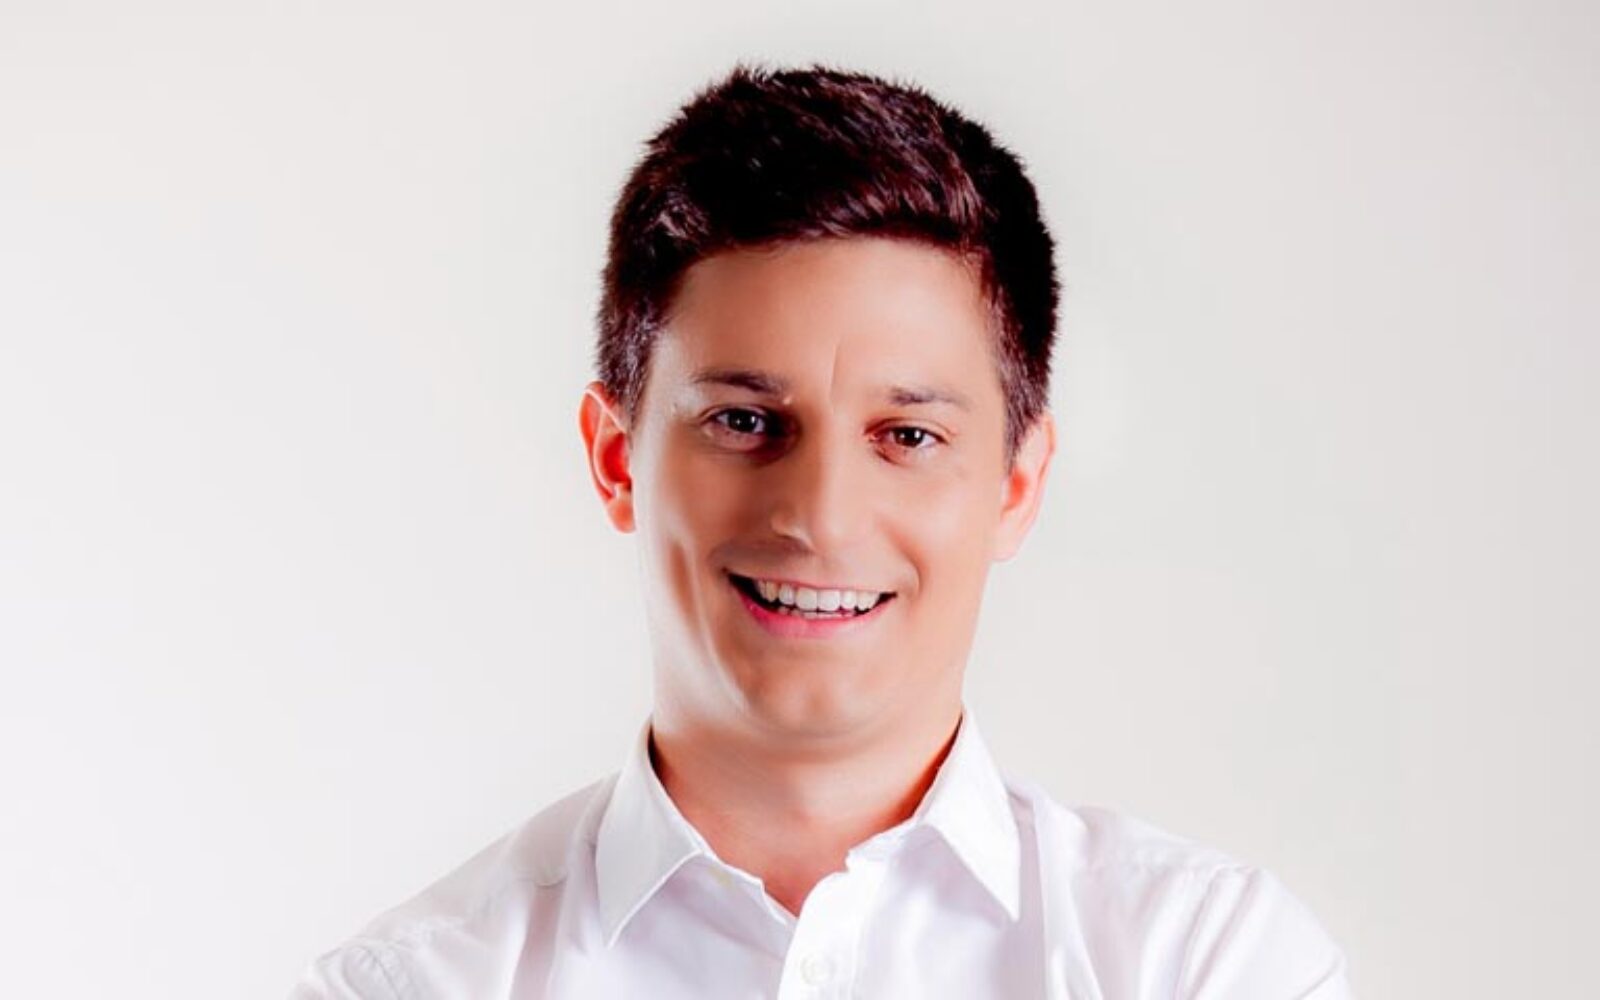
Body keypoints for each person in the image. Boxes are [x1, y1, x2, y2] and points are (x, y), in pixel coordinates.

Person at [290, 62, 1353, 999]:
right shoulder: (413, 987)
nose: (820, 516)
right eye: (744, 421)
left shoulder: (1204, 965)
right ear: (617, 459)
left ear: (1017, 486)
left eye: (908, 435)